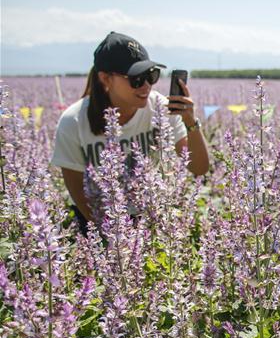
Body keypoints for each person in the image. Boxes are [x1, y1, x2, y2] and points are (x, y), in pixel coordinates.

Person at [50, 31, 210, 236]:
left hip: (149, 215)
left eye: (151, 75)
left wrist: (190, 122)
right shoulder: (73, 121)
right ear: (105, 79)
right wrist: (113, 235)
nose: (146, 86)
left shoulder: (160, 108)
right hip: (97, 222)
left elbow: (199, 168)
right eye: (136, 79)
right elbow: (78, 192)